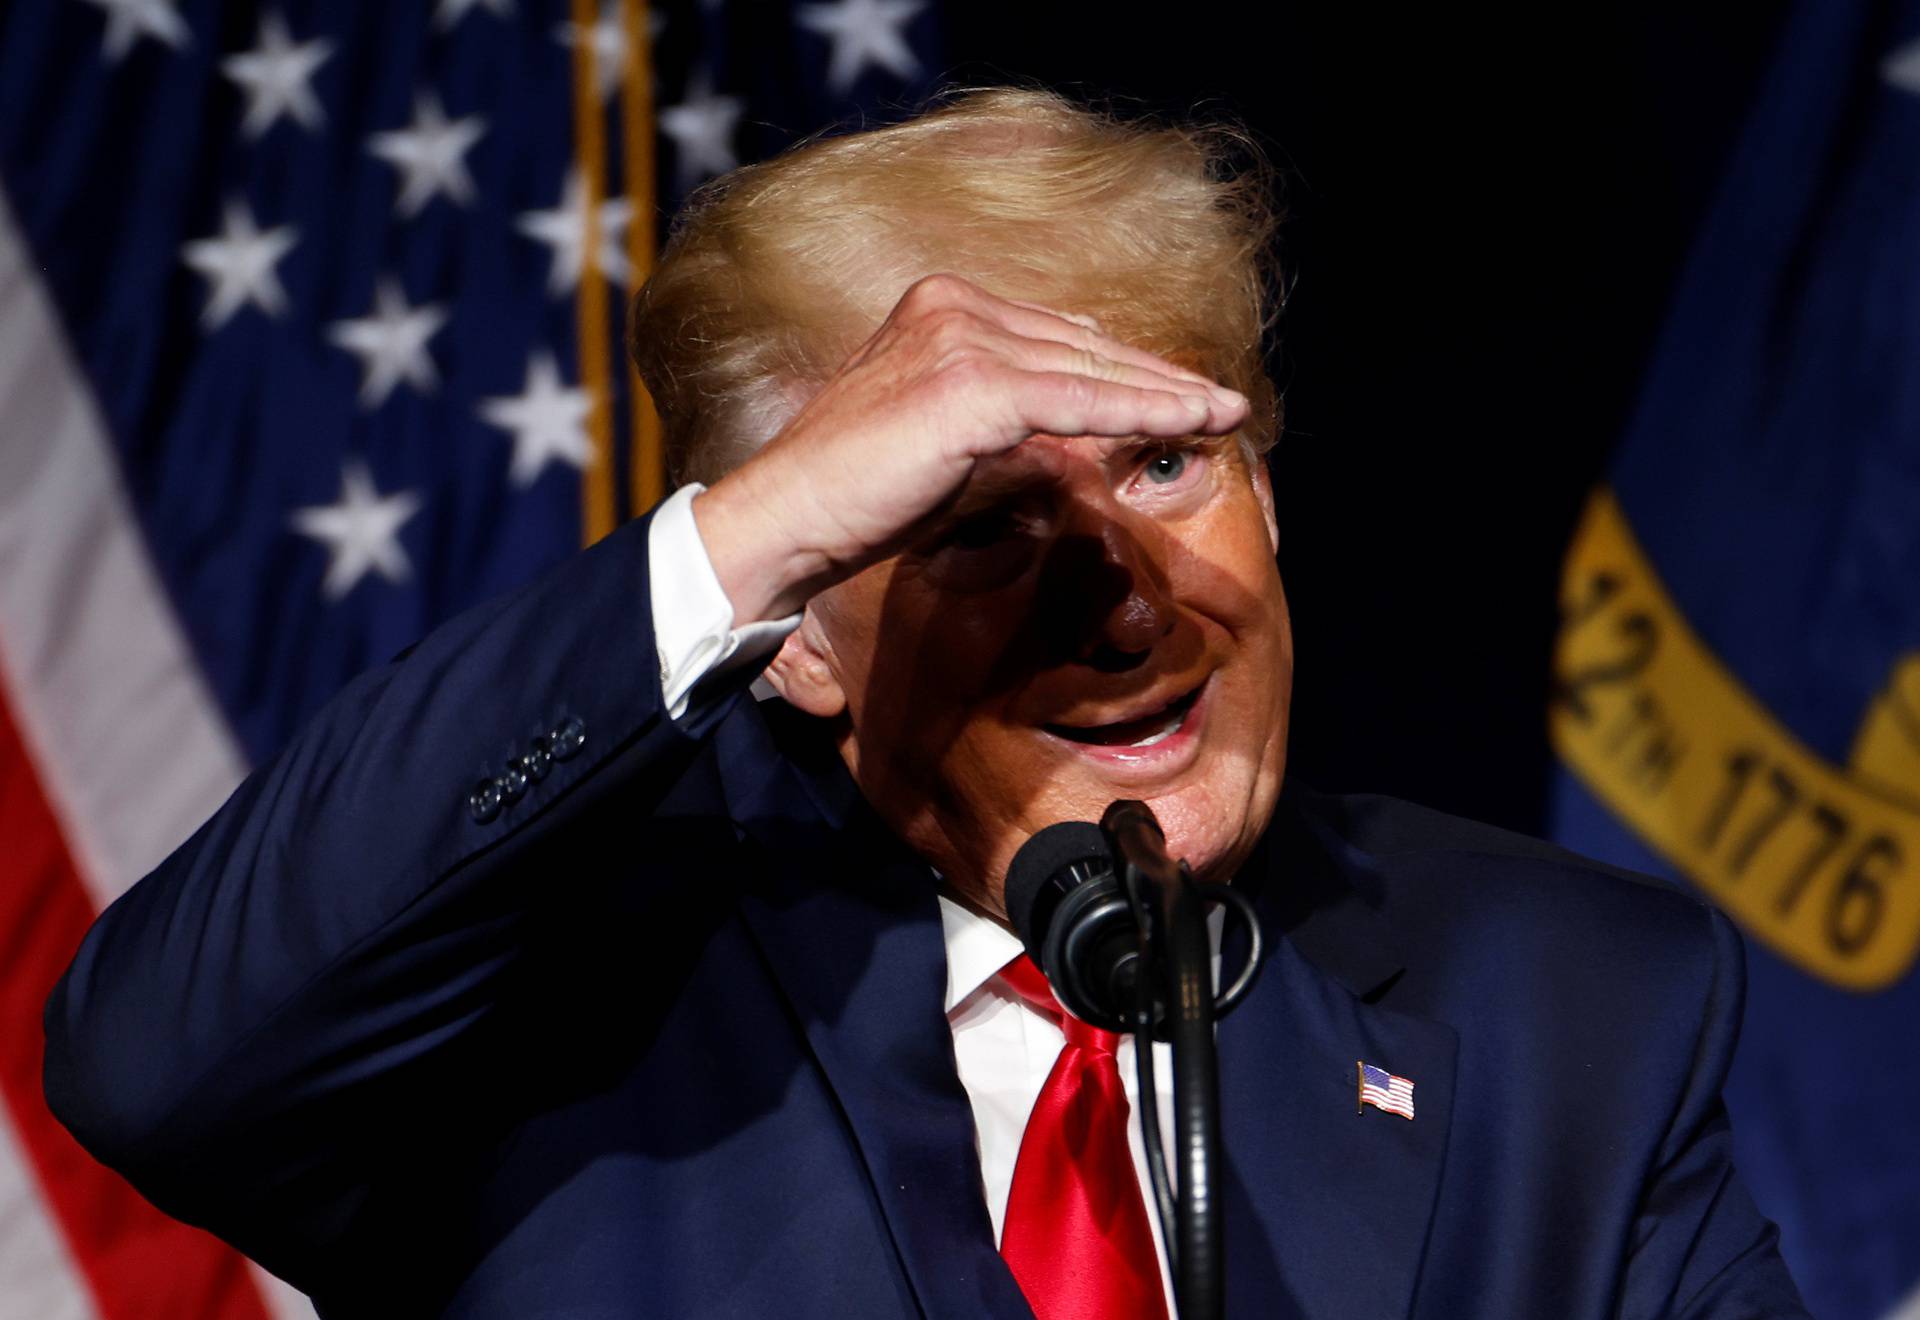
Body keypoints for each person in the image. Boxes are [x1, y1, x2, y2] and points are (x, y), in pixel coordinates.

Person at [43, 89, 1809, 1318]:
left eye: (1171, 461)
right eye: (976, 521)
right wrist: (750, 538)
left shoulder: (1572, 1009)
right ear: (802, 628)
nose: (1121, 596)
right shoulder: (556, 988)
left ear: (1273, 495)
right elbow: (150, 1065)